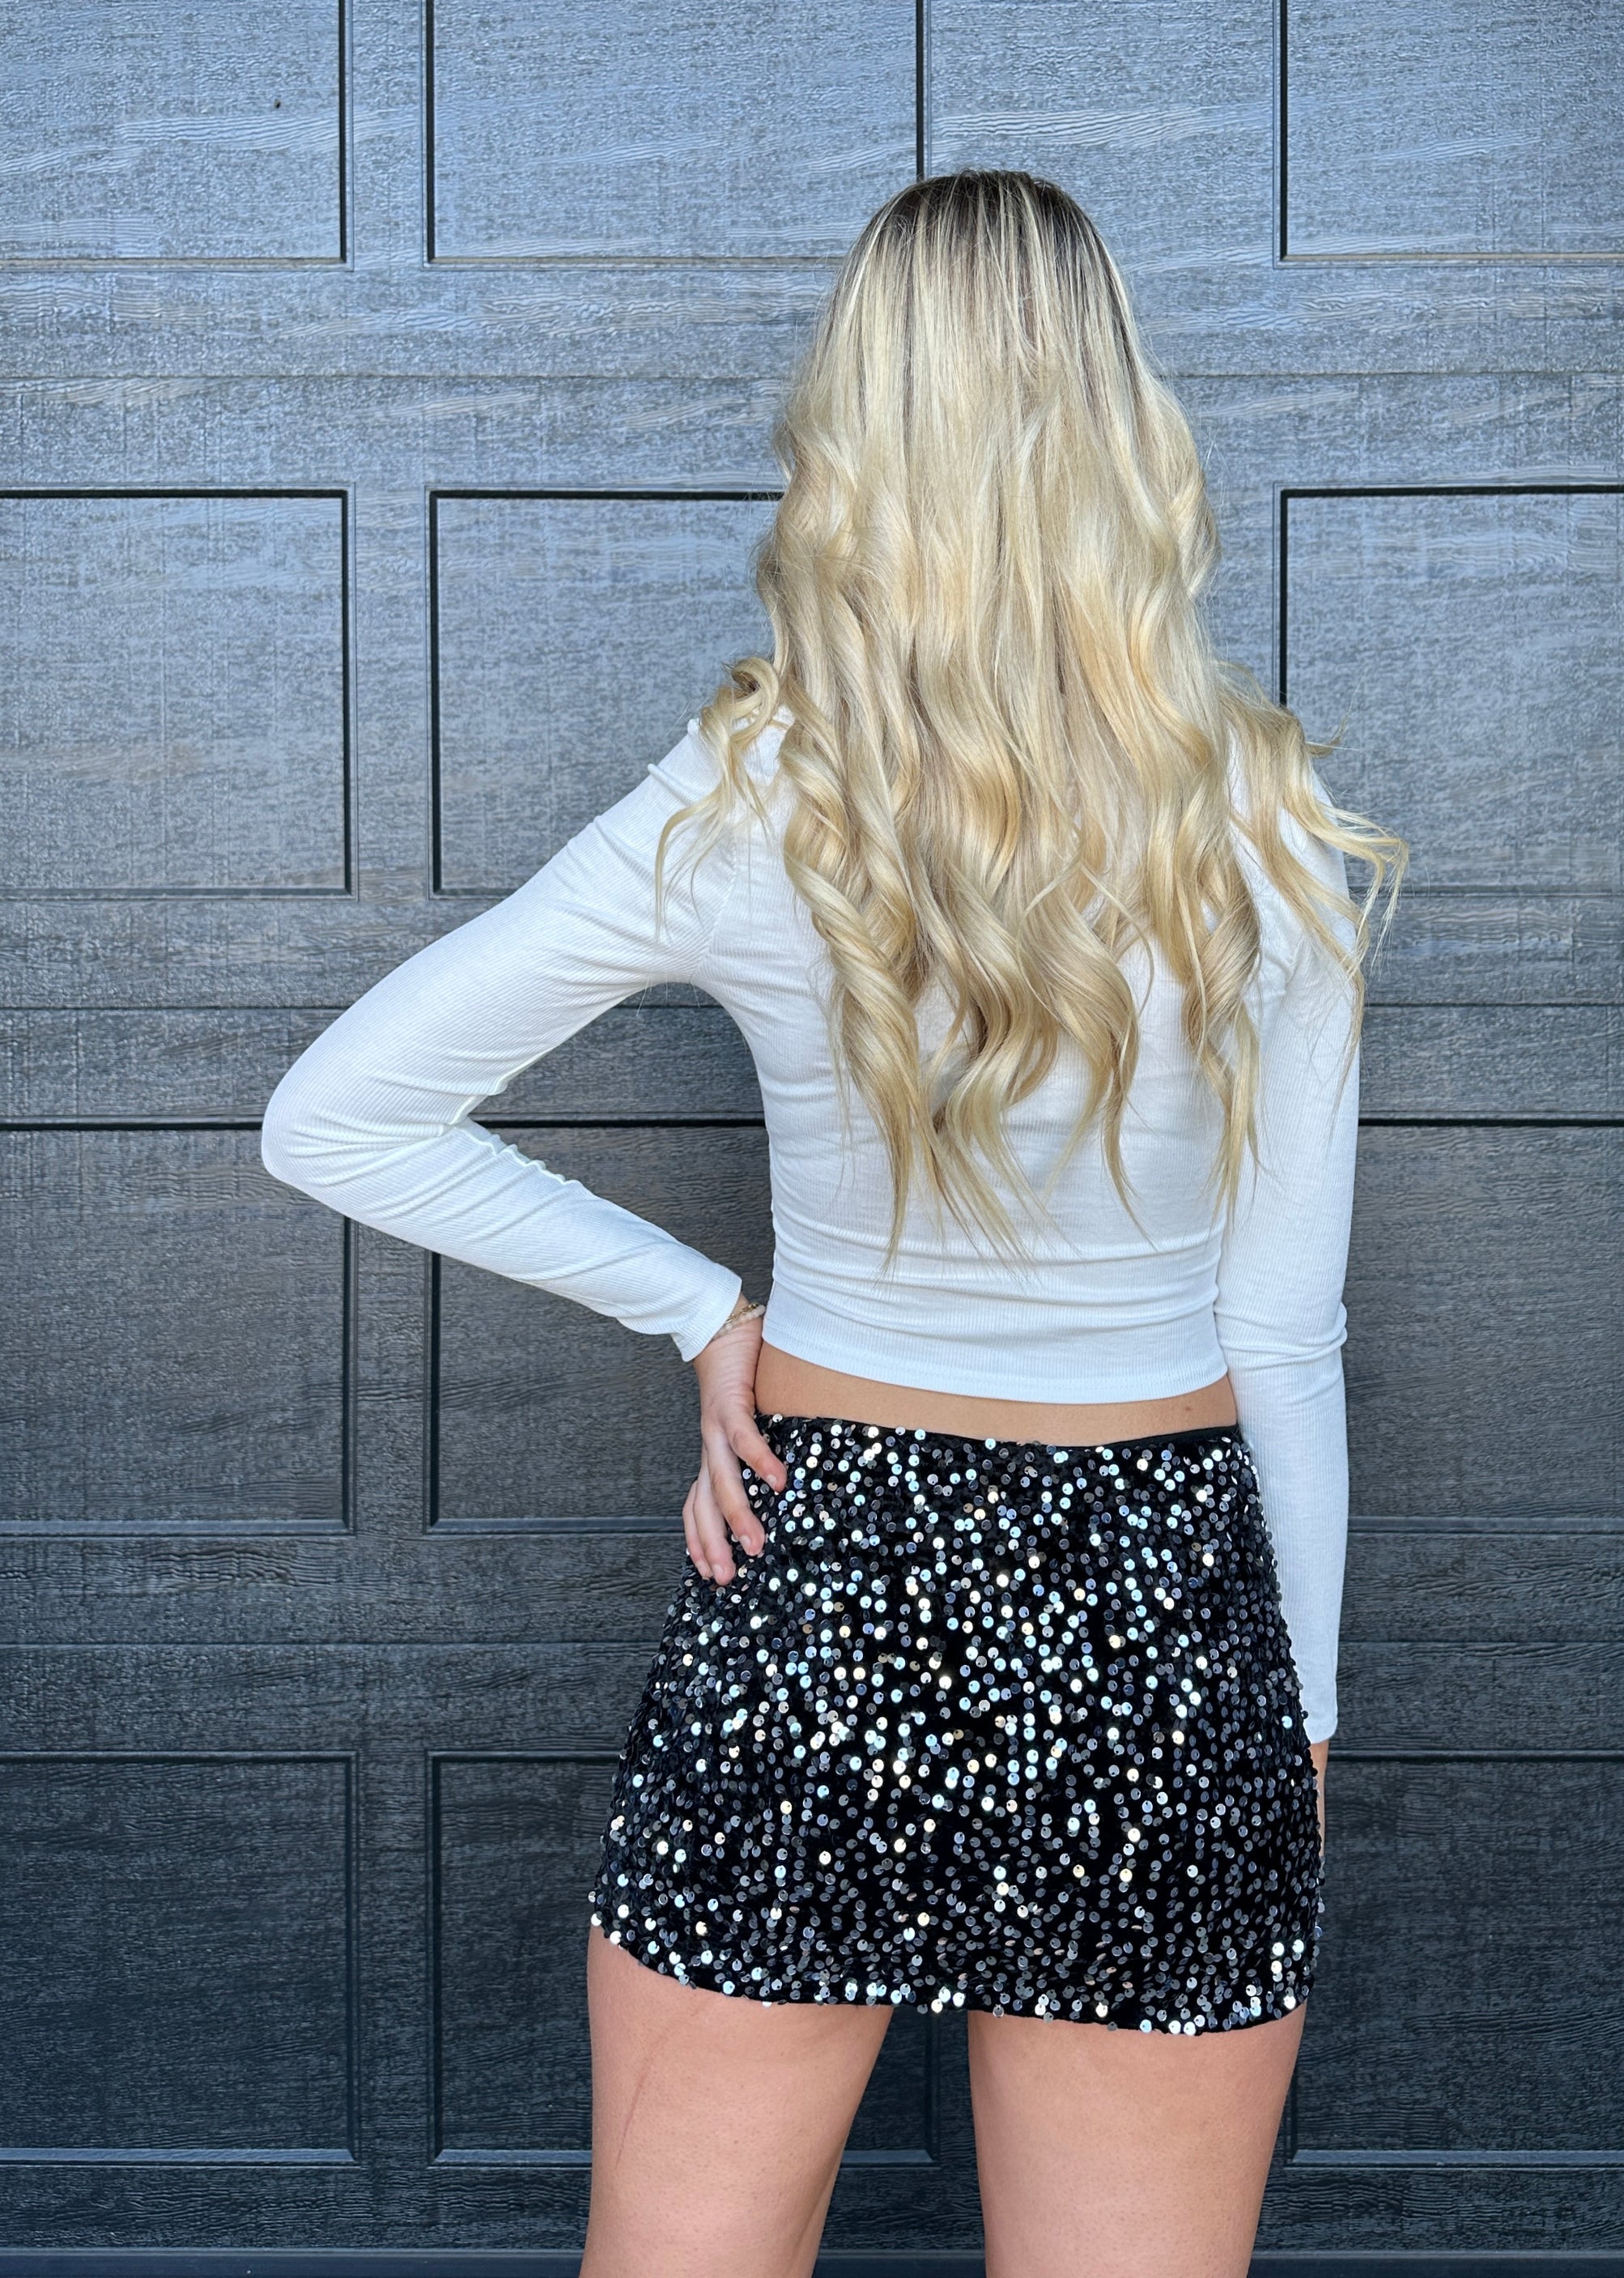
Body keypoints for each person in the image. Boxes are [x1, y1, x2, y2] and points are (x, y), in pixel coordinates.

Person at [260, 169, 1403, 2278]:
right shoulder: (1264, 821)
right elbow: (1284, 1337)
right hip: (1161, 1618)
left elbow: (339, 1113)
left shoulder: (748, 797)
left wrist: (703, 1309)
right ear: (1122, 422)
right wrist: (1303, 1714)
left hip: (831, 1579)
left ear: (851, 429)